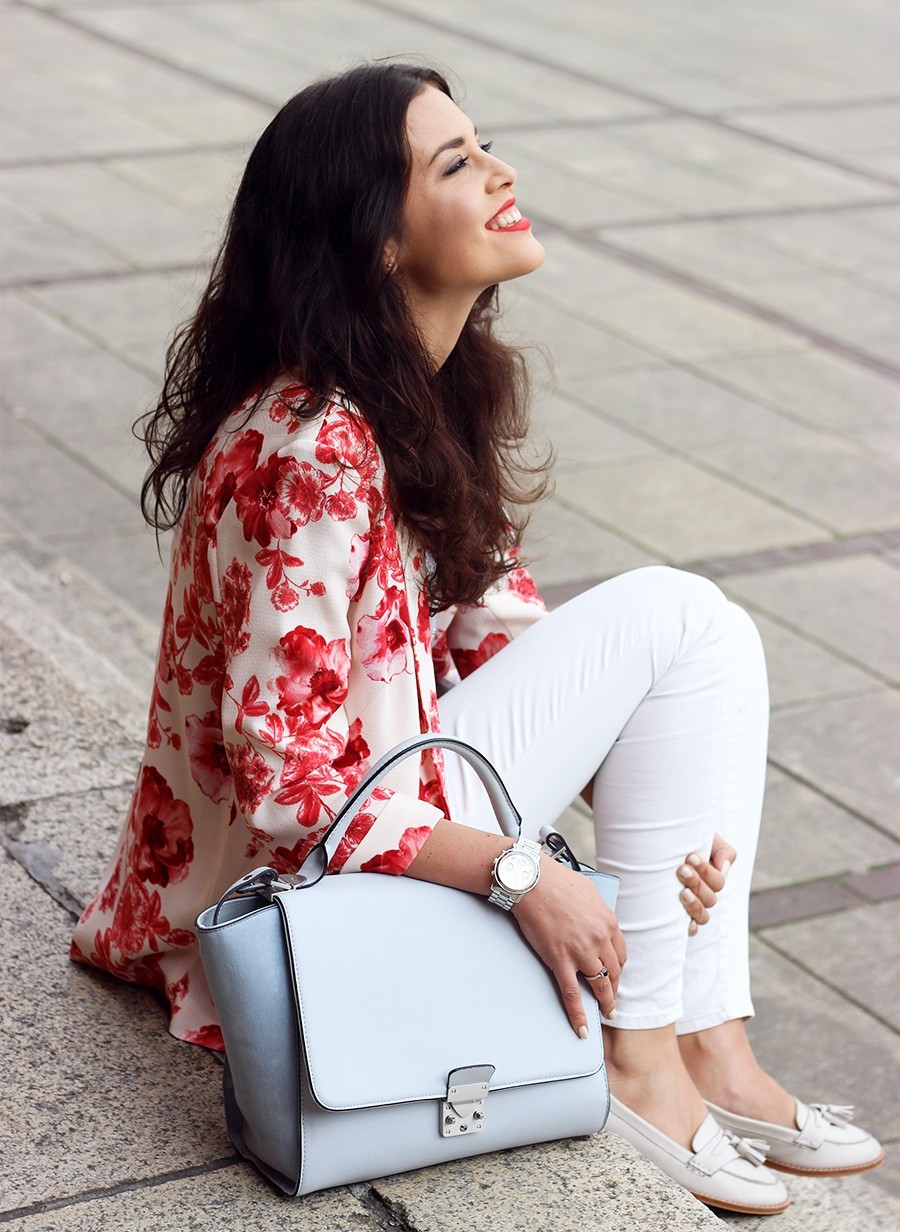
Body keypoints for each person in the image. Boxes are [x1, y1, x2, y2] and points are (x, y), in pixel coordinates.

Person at [71, 61, 883, 1215]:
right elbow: (293, 791)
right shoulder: (305, 453)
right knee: (681, 615)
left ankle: (712, 1047)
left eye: (482, 144)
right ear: (378, 243)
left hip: (381, 806)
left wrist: (659, 830)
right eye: (455, 163)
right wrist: (522, 871)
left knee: (710, 642)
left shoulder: (416, 393)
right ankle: (642, 1058)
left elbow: (506, 651)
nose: (501, 171)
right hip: (284, 888)